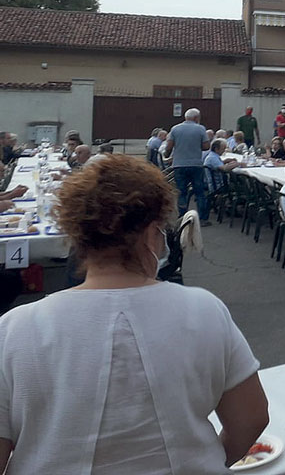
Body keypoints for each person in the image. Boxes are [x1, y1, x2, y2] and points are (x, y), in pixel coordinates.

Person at [0, 154, 268, 473]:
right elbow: (251, 418)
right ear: (152, 232)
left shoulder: (15, 329)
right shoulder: (204, 309)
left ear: (77, 236)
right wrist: (208, 461)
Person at [164, 108, 212, 226]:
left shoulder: (175, 129)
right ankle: (202, 218)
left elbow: (169, 146)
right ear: (196, 118)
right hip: (196, 164)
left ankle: (182, 217)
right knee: (199, 192)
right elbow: (206, 146)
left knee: (181, 191)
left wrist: (167, 154)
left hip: (179, 164)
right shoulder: (201, 129)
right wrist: (195, 146)